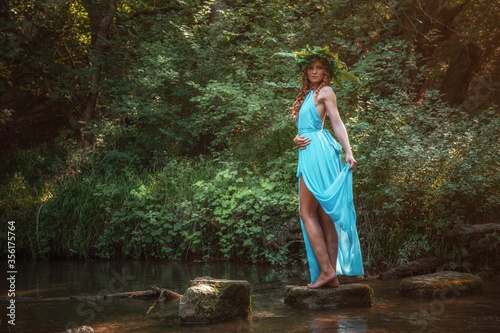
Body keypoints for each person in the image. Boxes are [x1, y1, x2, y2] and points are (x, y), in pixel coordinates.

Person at [290, 46, 364, 289]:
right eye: (310, 68)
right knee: (323, 216)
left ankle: (326, 271)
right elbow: (304, 129)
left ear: (326, 71)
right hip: (311, 150)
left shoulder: (326, 91)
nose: (314, 71)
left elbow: (337, 122)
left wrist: (349, 152)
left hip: (317, 153)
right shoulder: (309, 93)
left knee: (307, 213)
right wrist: (296, 139)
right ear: (305, 71)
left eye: (319, 67)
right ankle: (331, 276)